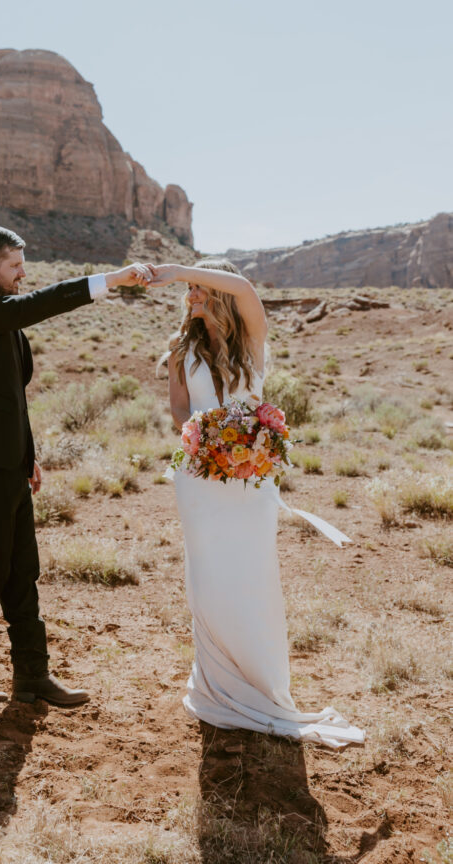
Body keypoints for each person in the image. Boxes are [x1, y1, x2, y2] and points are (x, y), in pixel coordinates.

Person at [150, 258, 364, 748]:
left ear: (217, 293)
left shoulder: (250, 338)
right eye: (189, 289)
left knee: (252, 579)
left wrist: (181, 268)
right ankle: (216, 685)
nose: (190, 296)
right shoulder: (182, 348)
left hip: (252, 483)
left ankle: (261, 684)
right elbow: (180, 410)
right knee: (208, 580)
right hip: (200, 478)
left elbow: (245, 287)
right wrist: (202, 442)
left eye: (199, 288)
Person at [0, 225, 151, 705]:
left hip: (7, 463)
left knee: (22, 571)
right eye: (14, 266)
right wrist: (110, 280)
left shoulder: (1, 320)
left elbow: (13, 398)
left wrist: (27, 457)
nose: (22, 274)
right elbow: (38, 304)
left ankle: (32, 676)